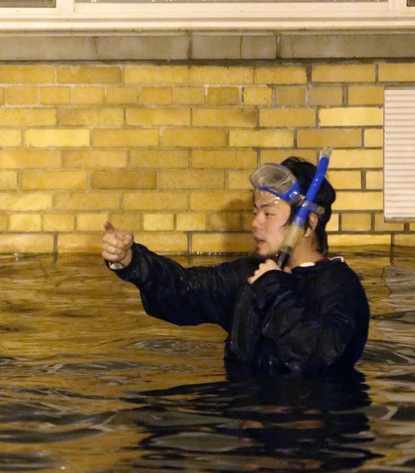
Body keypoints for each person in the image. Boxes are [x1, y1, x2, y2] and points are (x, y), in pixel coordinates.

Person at [102, 157, 369, 377]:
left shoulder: (339, 286)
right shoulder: (252, 274)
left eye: (268, 214)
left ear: (308, 226)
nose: (255, 223)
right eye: (256, 212)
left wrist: (274, 290)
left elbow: (323, 354)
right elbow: (186, 288)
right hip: (246, 417)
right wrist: (132, 262)